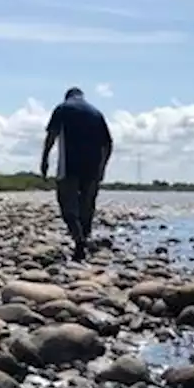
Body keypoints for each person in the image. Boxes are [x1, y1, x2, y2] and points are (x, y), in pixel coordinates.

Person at [40, 87, 113, 261]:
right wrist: (102, 168)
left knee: (67, 204)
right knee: (87, 206)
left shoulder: (62, 109)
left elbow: (52, 135)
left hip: (69, 166)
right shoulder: (96, 114)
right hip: (92, 168)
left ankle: (79, 240)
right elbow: (108, 144)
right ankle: (84, 238)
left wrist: (45, 159)